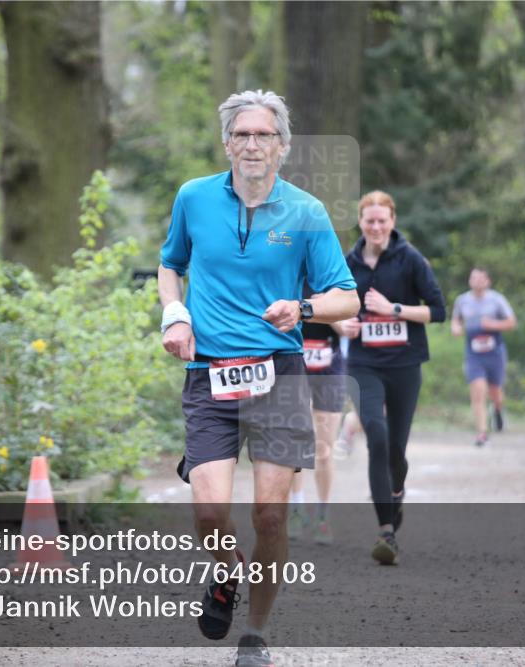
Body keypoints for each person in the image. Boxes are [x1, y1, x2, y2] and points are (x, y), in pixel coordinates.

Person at [158, 89, 359, 666]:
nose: (251, 143)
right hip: (209, 375)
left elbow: (346, 298)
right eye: (241, 134)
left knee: (269, 514)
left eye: (263, 135)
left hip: (280, 377)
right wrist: (175, 315)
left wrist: (304, 310)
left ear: (283, 146)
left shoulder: (307, 213)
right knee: (209, 511)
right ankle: (226, 577)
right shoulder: (194, 198)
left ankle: (256, 633)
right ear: (227, 143)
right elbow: (171, 264)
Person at [341, 190, 446, 565]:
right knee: (376, 433)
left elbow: (438, 312)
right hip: (364, 364)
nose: (376, 227)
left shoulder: (411, 259)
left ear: (392, 222)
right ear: (361, 223)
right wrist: (341, 323)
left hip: (404, 364)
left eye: (382, 220)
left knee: (396, 450)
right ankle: (386, 531)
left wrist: (394, 309)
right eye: (369, 220)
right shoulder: (347, 263)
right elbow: (330, 306)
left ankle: (396, 489)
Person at [288, 285, 346, 544]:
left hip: (328, 369)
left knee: (324, 449)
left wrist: (322, 305)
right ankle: (297, 510)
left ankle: (323, 515)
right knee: (294, 442)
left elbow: (348, 328)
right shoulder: (286, 267)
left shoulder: (337, 277)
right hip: (293, 364)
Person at [451, 267, 517, 447]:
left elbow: (512, 323)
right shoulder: (462, 300)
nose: (477, 282)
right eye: (473, 278)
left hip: (494, 352)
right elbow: (456, 319)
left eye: (481, 279)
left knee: (495, 391)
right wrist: (456, 327)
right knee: (478, 391)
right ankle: (482, 434)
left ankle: (497, 410)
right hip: (473, 353)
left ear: (487, 281)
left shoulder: (497, 300)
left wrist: (492, 324)